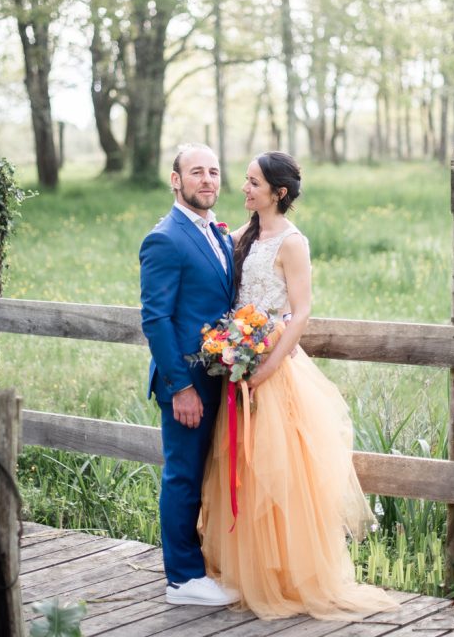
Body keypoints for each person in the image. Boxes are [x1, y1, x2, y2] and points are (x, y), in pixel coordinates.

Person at [200, 151, 398, 620]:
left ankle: (285, 576)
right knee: (241, 465)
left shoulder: (292, 242)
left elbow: (302, 312)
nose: (245, 188)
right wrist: (232, 352)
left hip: (274, 366)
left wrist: (266, 368)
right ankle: (245, 571)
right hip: (239, 361)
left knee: (277, 469)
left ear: (279, 192)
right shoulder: (242, 236)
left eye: (254, 183)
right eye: (246, 180)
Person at [139, 143, 239, 607]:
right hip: (187, 381)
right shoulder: (165, 238)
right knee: (182, 476)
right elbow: (156, 319)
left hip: (219, 377)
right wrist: (180, 386)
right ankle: (181, 579)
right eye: (196, 172)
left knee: (208, 474)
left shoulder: (217, 232)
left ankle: (205, 563)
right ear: (175, 180)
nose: (207, 180)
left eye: (213, 172)